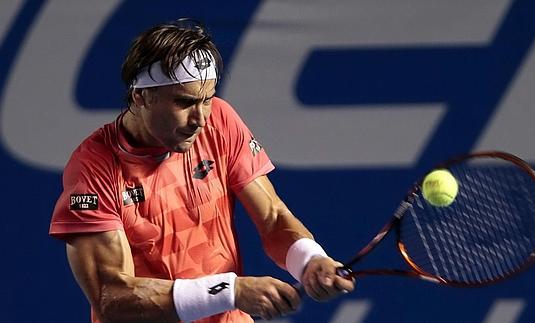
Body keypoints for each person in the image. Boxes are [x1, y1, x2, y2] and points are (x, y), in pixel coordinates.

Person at [49, 18, 354, 323]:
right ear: (140, 96)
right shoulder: (93, 170)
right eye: (184, 102)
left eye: (207, 99)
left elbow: (273, 217)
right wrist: (228, 291)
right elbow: (113, 300)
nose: (201, 118)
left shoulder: (220, 120)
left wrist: (309, 259)